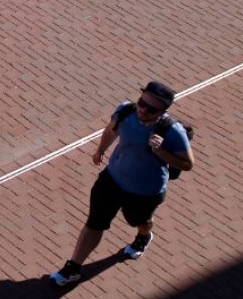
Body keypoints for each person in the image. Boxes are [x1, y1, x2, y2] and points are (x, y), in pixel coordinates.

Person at [50, 80, 193, 287]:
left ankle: (144, 236)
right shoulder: (126, 112)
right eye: (141, 103)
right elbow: (111, 130)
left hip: (145, 191)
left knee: (138, 221)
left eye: (150, 109)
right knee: (94, 223)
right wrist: (100, 150)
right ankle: (73, 267)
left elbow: (187, 164)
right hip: (112, 179)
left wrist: (160, 151)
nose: (142, 110)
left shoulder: (173, 132)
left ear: (162, 112)